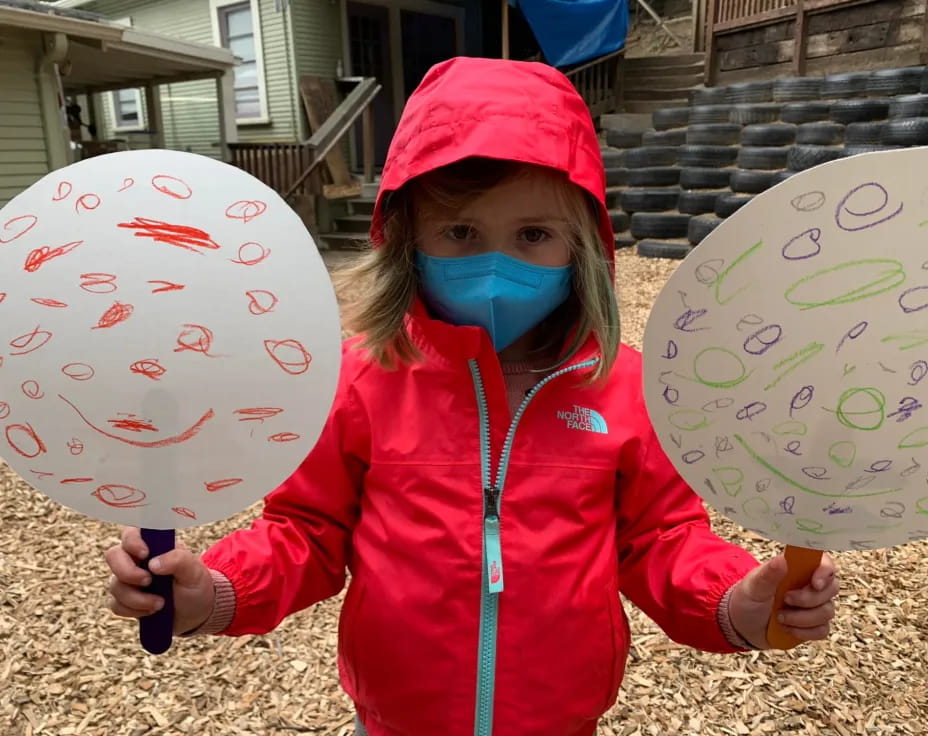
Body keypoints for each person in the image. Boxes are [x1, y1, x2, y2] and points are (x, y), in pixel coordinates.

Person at [105, 57, 840, 736]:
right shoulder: (364, 377)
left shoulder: (623, 388)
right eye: (459, 230)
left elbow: (661, 539)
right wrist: (216, 589)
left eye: (532, 233)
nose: (495, 266)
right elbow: (306, 532)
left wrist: (733, 603)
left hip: (559, 719)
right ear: (406, 238)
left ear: (583, 241)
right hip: (396, 720)